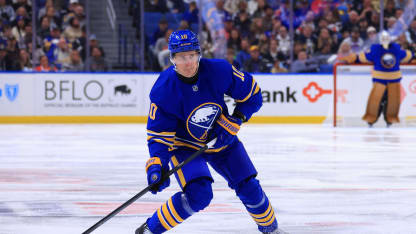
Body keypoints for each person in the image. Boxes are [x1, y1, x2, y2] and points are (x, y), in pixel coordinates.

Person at [136, 30, 285, 234]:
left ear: (199, 54)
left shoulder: (220, 70)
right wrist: (157, 166)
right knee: (199, 195)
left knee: (249, 186)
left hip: (222, 138)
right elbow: (159, 136)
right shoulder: (164, 89)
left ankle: (271, 230)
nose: (188, 63)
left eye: (191, 55)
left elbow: (253, 95)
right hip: (185, 147)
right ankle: (149, 229)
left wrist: (236, 119)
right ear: (172, 59)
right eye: (181, 57)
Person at [341, 31, 414, 127]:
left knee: (393, 101)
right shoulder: (377, 50)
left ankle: (389, 119)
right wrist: (353, 58)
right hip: (381, 79)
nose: (385, 41)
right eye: (383, 39)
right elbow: (364, 57)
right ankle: (372, 119)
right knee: (376, 100)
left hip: (393, 79)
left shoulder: (395, 49)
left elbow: (408, 56)